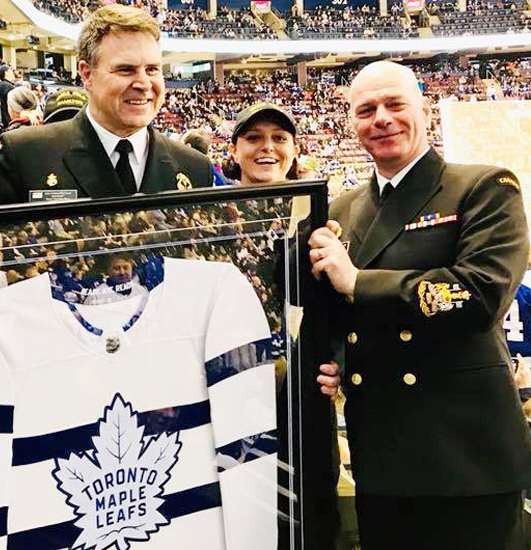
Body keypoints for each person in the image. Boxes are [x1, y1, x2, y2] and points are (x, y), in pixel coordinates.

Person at [308, 60, 531, 550]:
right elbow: (339, 315)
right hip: (382, 453)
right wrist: (335, 361)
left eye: (394, 104)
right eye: (366, 110)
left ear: (424, 109)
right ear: (351, 123)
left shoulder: (484, 187)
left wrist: (359, 281)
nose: (381, 118)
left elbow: (479, 295)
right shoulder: (342, 209)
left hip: (465, 456)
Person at [0, 4, 213, 204]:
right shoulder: (24, 154)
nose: (144, 83)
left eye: (152, 69)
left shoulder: (195, 168)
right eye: (125, 69)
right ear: (87, 74)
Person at [227, 102, 299, 185]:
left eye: (279, 138)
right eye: (253, 138)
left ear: (294, 151)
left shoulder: (314, 197)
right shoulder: (215, 197)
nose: (267, 147)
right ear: (234, 151)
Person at [0, 63, 15, 127]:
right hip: (8, 121)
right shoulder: (7, 86)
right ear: (6, 73)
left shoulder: (1, 85)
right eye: (11, 71)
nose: (13, 73)